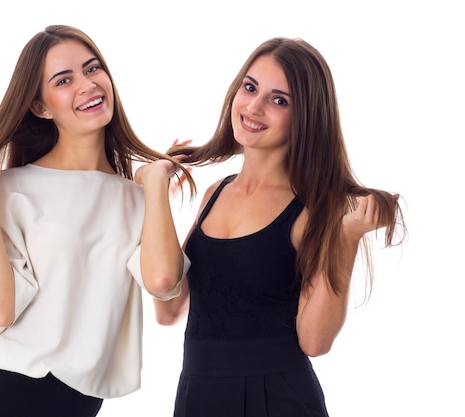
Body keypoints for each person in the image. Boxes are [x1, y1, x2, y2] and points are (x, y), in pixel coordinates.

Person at [0, 24, 195, 417]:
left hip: (75, 404)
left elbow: (164, 290)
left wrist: (155, 188)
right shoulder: (12, 190)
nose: (87, 85)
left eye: (92, 69)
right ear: (41, 106)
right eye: (64, 80)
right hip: (1, 395)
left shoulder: (138, 200)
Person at [157, 37, 407, 416]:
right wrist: (154, 197)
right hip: (197, 394)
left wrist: (348, 237)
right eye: (250, 87)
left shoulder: (314, 210)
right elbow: (168, 310)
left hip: (277, 399)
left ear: (306, 115)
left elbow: (315, 340)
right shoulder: (213, 193)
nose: (253, 107)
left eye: (279, 100)